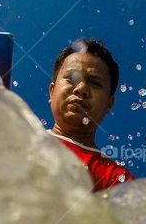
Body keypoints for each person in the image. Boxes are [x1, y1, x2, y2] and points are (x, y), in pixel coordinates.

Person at [47, 38, 135, 192]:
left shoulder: (116, 180)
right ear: (52, 91)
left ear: (109, 104)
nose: (81, 89)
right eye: (72, 78)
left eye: (95, 83)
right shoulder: (14, 135)